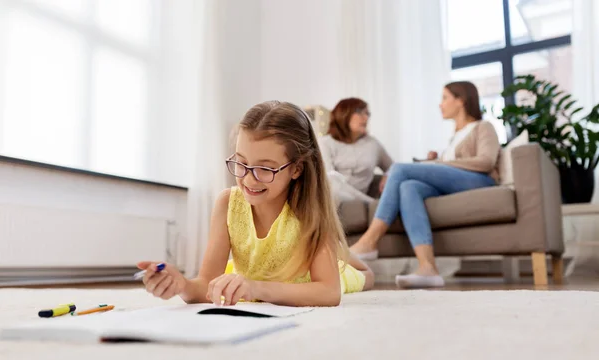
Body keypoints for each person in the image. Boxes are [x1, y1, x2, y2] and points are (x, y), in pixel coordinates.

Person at [138, 101, 374, 307]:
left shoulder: (309, 212)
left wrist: (257, 289)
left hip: (307, 279)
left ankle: (345, 255)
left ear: (296, 169)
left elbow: (329, 292)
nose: (249, 179)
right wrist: (182, 284)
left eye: (265, 168)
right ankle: (340, 252)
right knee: (231, 278)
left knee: (360, 273)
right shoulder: (227, 203)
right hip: (257, 273)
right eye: (241, 163)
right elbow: (205, 288)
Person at [349, 81, 500, 289]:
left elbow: (486, 161)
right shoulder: (456, 136)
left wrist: (441, 163)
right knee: (408, 187)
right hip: (457, 181)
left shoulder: (483, 127)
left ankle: (369, 241)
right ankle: (428, 267)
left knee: (399, 169)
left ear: (461, 100)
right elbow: (452, 165)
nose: (440, 104)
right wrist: (435, 160)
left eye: (445, 98)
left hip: (480, 181)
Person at [319, 98, 393, 203]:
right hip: (333, 197)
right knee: (331, 180)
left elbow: (394, 167)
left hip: (355, 202)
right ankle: (372, 204)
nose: (366, 118)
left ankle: (372, 205)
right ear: (344, 114)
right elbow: (327, 180)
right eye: (360, 112)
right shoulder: (325, 142)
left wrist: (387, 175)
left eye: (367, 114)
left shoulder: (373, 144)